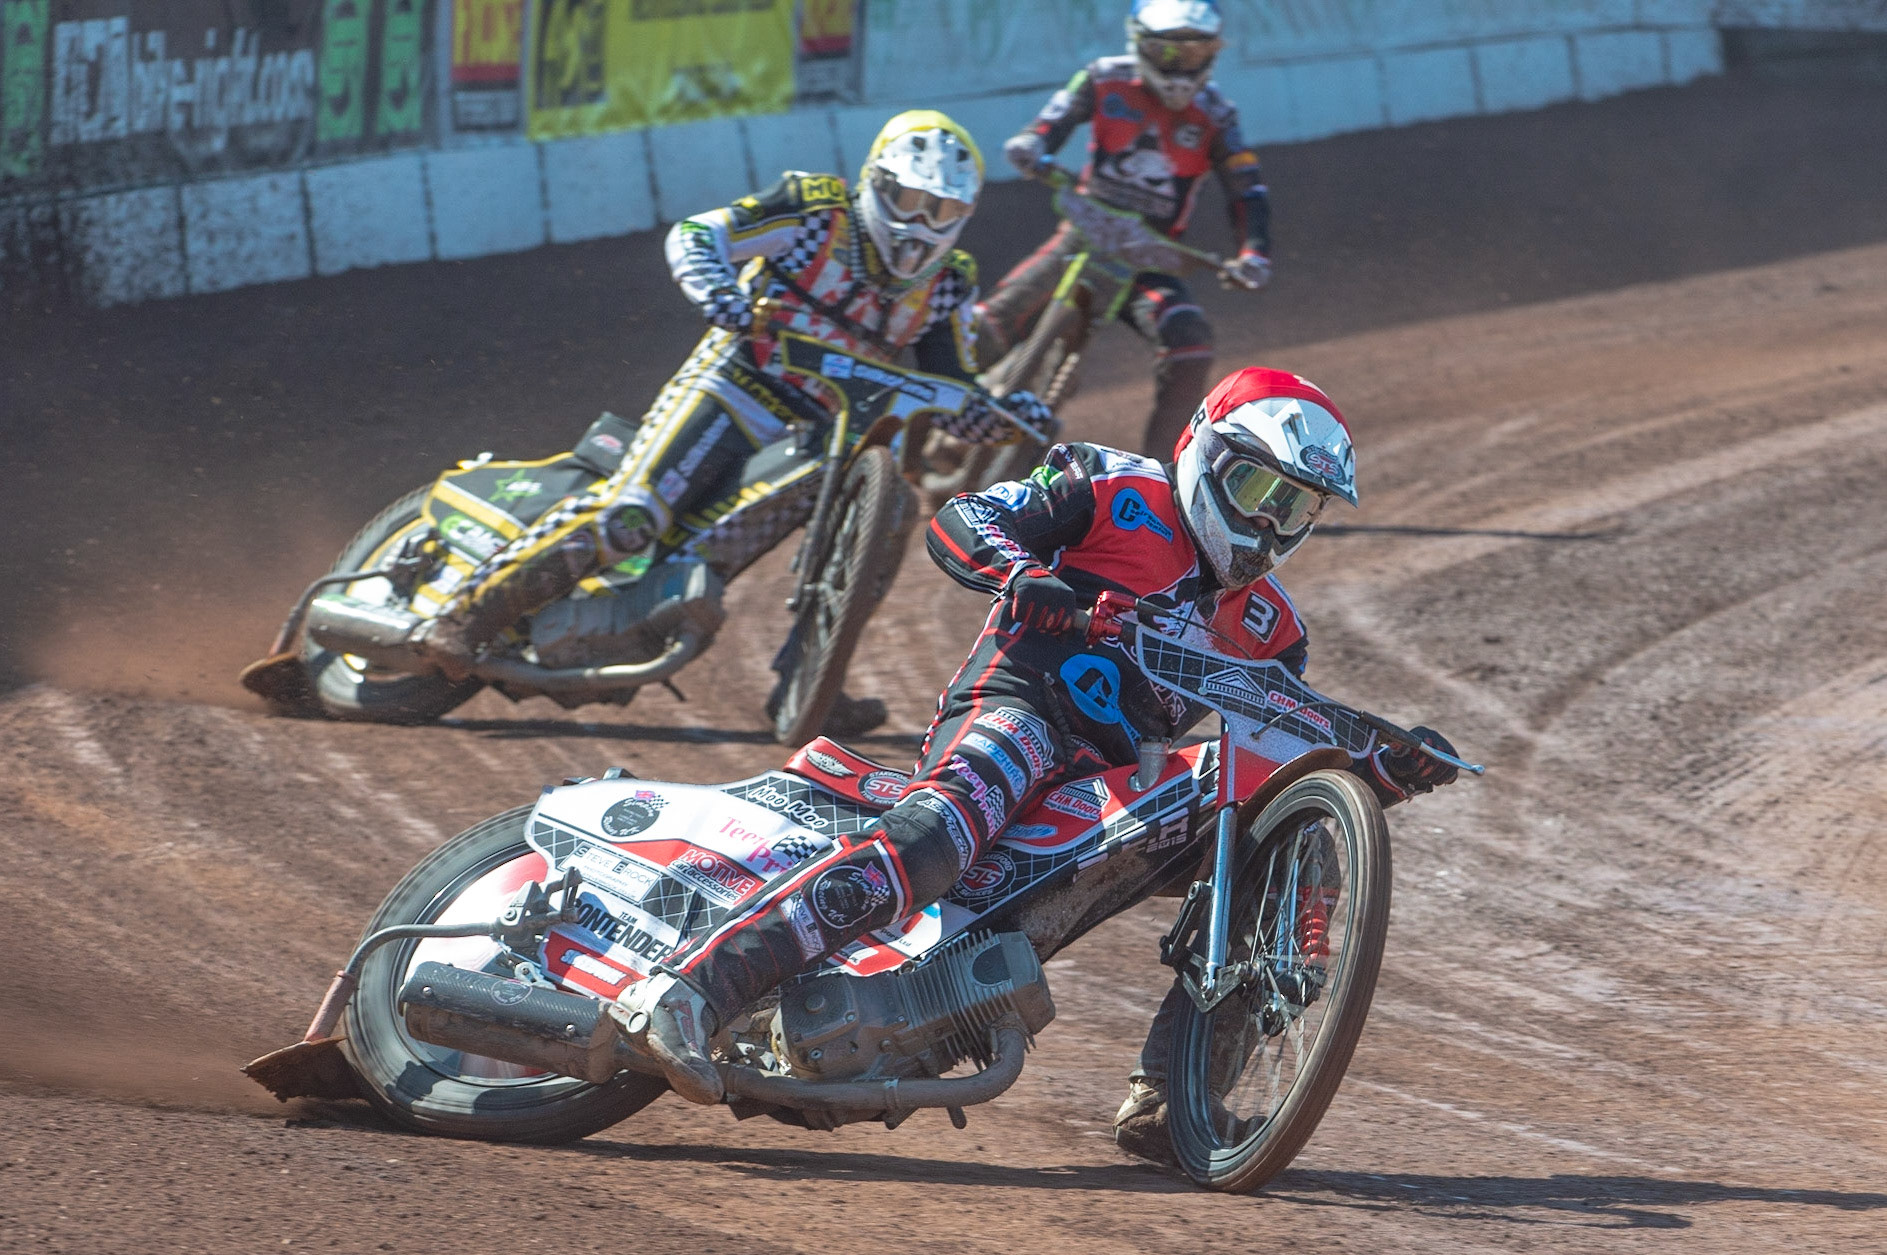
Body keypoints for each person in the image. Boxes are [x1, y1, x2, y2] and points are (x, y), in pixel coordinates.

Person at [611, 366, 1460, 1167]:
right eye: (1255, 489)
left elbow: (1276, 742)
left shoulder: (1275, 629)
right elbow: (965, 517)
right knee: (938, 833)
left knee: (1287, 849)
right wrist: (1022, 575)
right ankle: (693, 988)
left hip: (1116, 786)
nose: (1269, 524)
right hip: (1019, 710)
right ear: (1205, 452)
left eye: (1295, 505)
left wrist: (1384, 770)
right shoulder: (1113, 486)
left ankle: (1176, 1102)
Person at [413, 110, 1055, 723]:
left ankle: (813, 680)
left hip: (823, 433)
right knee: (633, 517)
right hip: (735, 386)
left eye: (941, 211)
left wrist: (992, 414)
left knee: (888, 512)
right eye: (910, 200)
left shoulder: (948, 283)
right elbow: (698, 235)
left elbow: (951, 383)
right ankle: (469, 613)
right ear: (876, 183)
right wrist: (718, 289)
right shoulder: (815, 210)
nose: (920, 224)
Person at [976, 0, 1274, 459]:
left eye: (1196, 53)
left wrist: (1253, 254)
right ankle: (910, 444)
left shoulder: (1217, 114)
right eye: (1169, 53)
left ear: (1214, 52)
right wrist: (1032, 143)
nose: (1182, 67)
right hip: (1082, 239)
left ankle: (1165, 477)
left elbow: (1247, 190)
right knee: (985, 327)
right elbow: (1052, 121)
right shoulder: (1103, 78)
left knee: (1190, 344)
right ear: (1140, 43)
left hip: (1148, 260)